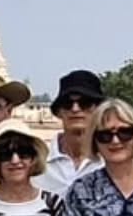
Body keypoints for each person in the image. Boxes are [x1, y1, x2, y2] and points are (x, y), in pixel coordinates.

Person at [39, 70, 104, 200]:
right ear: (59, 112)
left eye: (85, 103)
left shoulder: (111, 162)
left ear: (99, 110)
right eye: (68, 104)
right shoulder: (35, 163)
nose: (75, 109)